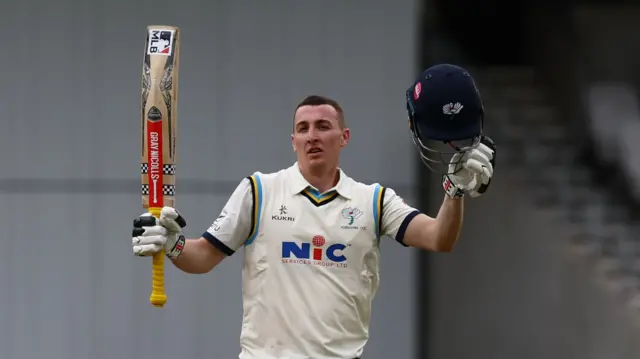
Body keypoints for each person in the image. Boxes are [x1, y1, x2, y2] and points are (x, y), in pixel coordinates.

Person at [131, 63, 496, 359]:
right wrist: (174, 244)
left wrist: (455, 192)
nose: (312, 136)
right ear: (293, 141)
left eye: (323, 127)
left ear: (344, 137)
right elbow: (204, 257)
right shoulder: (259, 191)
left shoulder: (373, 200)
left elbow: (438, 238)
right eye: (302, 129)